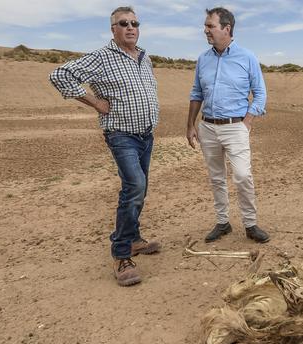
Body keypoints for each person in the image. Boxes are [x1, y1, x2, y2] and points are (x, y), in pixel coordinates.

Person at [49, 6, 160, 286]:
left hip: (146, 134)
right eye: (123, 23)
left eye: (134, 22)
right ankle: (121, 253)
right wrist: (96, 103)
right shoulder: (101, 57)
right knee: (134, 186)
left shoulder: (144, 57)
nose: (130, 27)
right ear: (113, 29)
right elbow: (60, 75)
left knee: (141, 186)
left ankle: (134, 239)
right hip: (121, 134)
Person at [186, 7, 270, 244]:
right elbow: (196, 93)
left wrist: (248, 120)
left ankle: (251, 224)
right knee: (216, 177)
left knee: (243, 175)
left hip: (236, 127)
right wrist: (190, 125)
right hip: (208, 127)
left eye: (210, 26)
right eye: (206, 26)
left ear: (227, 28)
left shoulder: (247, 57)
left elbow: (260, 93)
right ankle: (222, 223)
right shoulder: (203, 59)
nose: (206, 31)